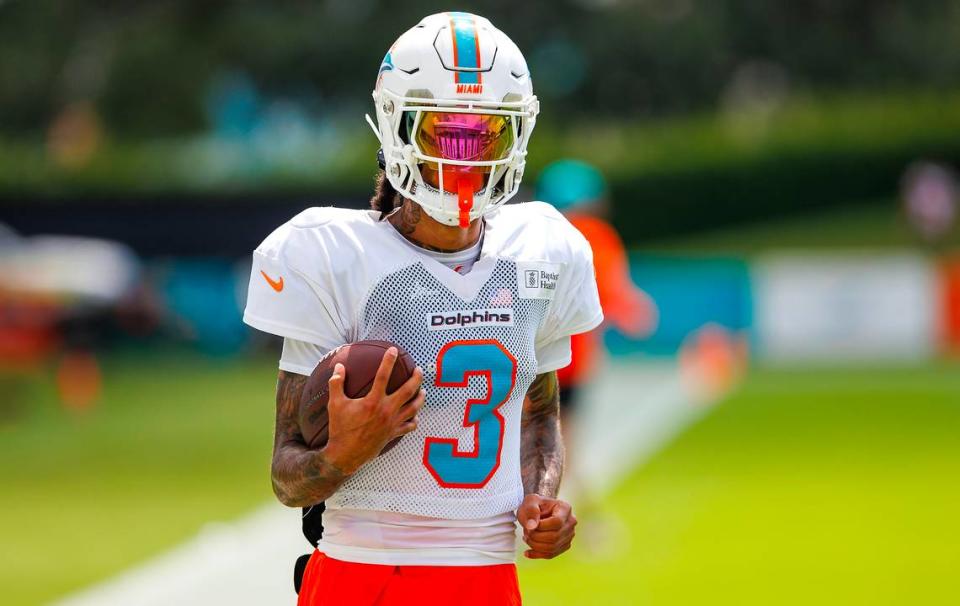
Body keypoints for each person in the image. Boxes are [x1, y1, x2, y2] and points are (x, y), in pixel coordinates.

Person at [243, 13, 602, 606]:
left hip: (487, 576)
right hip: (362, 572)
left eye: (489, 135)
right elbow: (286, 475)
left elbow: (539, 419)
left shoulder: (542, 249)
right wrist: (343, 453)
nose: (467, 156)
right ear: (398, 127)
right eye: (447, 134)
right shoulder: (334, 255)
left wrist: (543, 500)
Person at [535, 160, 656, 424]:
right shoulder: (596, 236)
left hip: (531, 353)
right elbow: (611, 294)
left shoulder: (536, 235)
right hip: (573, 357)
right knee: (562, 437)